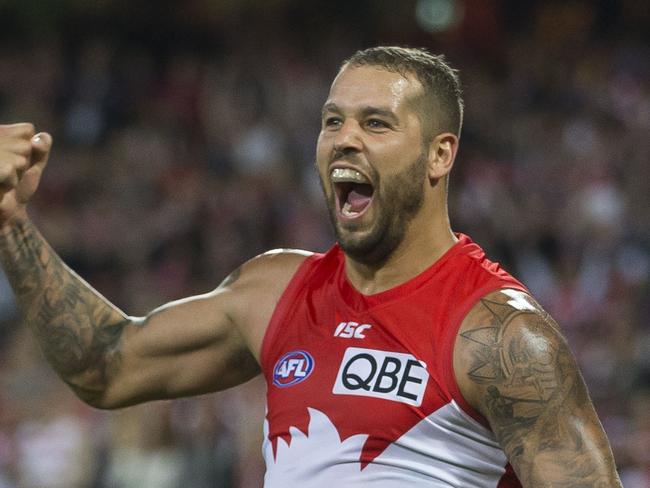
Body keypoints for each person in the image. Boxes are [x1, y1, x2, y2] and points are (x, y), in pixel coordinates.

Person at [0, 46, 622, 487]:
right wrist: (11, 223)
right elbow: (105, 365)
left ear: (440, 155)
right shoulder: (274, 291)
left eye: (375, 123)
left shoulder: (500, 337)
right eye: (332, 121)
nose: (344, 138)